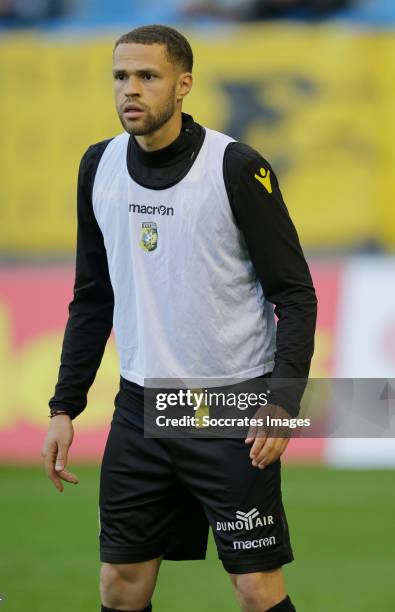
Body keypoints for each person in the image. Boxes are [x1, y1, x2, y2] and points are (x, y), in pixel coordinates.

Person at [41, 24, 317, 612]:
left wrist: (284, 403)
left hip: (231, 408)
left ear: (184, 84)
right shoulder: (99, 166)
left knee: (256, 589)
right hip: (141, 411)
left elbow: (295, 294)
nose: (130, 90)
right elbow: (92, 297)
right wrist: (64, 406)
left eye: (148, 76)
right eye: (121, 77)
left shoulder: (236, 168)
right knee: (120, 585)